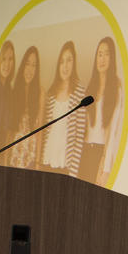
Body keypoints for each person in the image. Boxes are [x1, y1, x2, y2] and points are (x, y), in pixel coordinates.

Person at [80, 36, 125, 186]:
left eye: (106, 54)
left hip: (100, 154)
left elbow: (113, 132)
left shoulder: (116, 88)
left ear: (112, 58)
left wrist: (105, 168)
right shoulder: (90, 88)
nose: (102, 59)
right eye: (99, 54)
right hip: (84, 151)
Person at [42, 41, 87, 176]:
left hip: (65, 167)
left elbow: (79, 138)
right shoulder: (51, 93)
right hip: (47, 162)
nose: (65, 66)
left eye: (69, 60)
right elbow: (45, 133)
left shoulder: (80, 93)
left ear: (74, 64)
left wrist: (73, 174)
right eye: (62, 61)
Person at [8, 45, 44, 170]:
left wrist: (38, 163)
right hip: (14, 154)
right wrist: (6, 158)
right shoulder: (14, 91)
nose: (30, 69)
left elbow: (40, 132)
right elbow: (10, 130)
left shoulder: (40, 92)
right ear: (23, 65)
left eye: (34, 65)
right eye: (27, 64)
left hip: (31, 156)